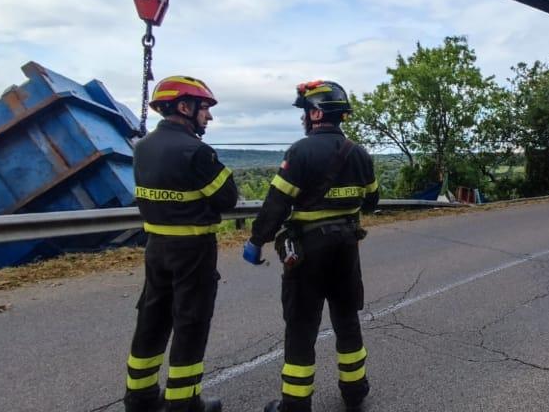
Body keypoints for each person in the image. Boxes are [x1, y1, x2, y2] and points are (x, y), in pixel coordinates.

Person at [243, 80, 378, 412]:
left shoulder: (300, 152)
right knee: (347, 319)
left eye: (306, 111)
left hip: (308, 251)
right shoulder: (359, 153)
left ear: (317, 113)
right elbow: (372, 202)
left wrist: (256, 240)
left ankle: (296, 403)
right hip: (347, 248)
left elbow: (276, 203)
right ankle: (354, 390)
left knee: (302, 325)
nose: (304, 118)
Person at [124, 76, 238, 412]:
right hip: (193, 251)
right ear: (184, 107)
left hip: (156, 247)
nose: (209, 117)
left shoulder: (142, 148)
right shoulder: (196, 151)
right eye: (205, 109)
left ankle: (140, 398)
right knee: (190, 322)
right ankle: (183, 402)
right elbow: (227, 198)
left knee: (152, 319)